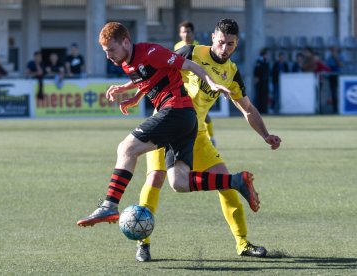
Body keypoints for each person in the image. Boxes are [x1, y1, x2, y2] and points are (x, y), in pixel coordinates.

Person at [77, 22, 268, 233]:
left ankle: (109, 205)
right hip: (186, 121)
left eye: (111, 50)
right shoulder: (126, 62)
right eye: (106, 52)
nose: (108, 56)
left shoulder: (151, 51)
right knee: (179, 183)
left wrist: (212, 83)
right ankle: (236, 180)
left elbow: (190, 66)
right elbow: (150, 78)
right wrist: (132, 96)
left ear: (125, 42)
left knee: (126, 149)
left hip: (176, 111)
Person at [135, 18, 282, 262]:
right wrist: (132, 93)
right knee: (156, 178)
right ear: (213, 37)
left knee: (227, 183)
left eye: (231, 45)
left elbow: (247, 109)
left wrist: (266, 135)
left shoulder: (232, 73)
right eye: (222, 42)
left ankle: (243, 243)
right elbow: (158, 73)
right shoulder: (191, 52)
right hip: (166, 124)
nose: (225, 49)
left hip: (197, 133)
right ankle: (143, 242)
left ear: (237, 44)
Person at [174, 20, 216, 146]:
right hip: (184, 86)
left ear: (193, 33)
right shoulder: (177, 47)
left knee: (204, 116)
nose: (186, 34)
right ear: (180, 34)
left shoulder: (199, 47)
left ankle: (211, 138)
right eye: (183, 32)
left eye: (188, 31)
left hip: (198, 86)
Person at [325, 46, 344, 113]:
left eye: (334, 50)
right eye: (332, 51)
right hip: (332, 77)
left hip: (339, 77)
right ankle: (335, 109)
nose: (333, 52)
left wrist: (336, 58)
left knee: (341, 93)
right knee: (333, 93)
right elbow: (328, 67)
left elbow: (341, 65)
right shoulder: (329, 58)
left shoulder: (341, 57)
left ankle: (342, 108)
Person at [254, 48, 271, 114]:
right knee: (259, 95)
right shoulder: (259, 61)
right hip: (260, 81)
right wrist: (256, 78)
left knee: (265, 96)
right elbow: (256, 71)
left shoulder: (266, 62)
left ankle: (264, 109)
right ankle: (259, 110)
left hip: (265, 81)